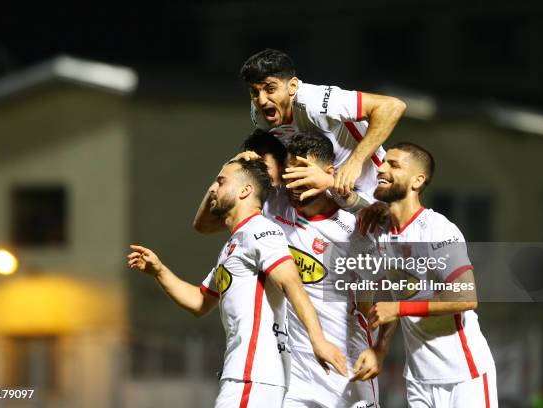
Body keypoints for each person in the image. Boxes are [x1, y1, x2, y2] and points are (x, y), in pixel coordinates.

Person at [196, 131, 397, 408]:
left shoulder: (356, 231)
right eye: (291, 176)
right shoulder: (273, 207)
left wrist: (379, 350)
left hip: (345, 367)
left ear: (328, 173)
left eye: (305, 176)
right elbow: (204, 225)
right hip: (293, 374)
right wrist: (232, 166)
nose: (295, 185)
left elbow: (387, 296)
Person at [129, 158, 346, 408]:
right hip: (245, 375)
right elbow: (200, 302)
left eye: (221, 181)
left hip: (253, 375)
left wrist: (317, 340)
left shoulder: (261, 231)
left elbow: (290, 283)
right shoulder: (235, 244)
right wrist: (159, 271)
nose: (212, 189)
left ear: (245, 191)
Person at [360, 142, 498, 407]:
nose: (381, 168)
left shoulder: (437, 230)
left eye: (393, 164)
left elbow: (466, 297)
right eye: (383, 162)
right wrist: (380, 349)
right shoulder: (382, 231)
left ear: (417, 180)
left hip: (463, 375)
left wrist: (399, 308)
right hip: (418, 379)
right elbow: (396, 297)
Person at [240, 48, 407, 200]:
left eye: (270, 89)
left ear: (292, 86)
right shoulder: (258, 113)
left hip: (373, 186)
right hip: (331, 190)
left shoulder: (316, 103)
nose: (261, 100)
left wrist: (356, 161)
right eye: (255, 92)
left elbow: (391, 106)